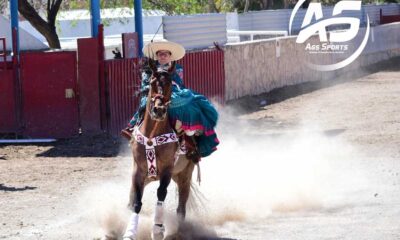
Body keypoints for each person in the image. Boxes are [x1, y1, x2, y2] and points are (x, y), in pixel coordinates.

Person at [121, 40, 219, 162]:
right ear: (156, 56)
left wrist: (167, 86)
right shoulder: (148, 69)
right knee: (146, 104)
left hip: (172, 92)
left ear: (170, 56)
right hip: (153, 93)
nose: (162, 56)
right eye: (160, 54)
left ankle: (190, 134)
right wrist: (154, 87)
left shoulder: (177, 68)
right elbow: (145, 84)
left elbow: (178, 83)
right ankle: (135, 128)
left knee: (188, 100)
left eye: (165, 54)